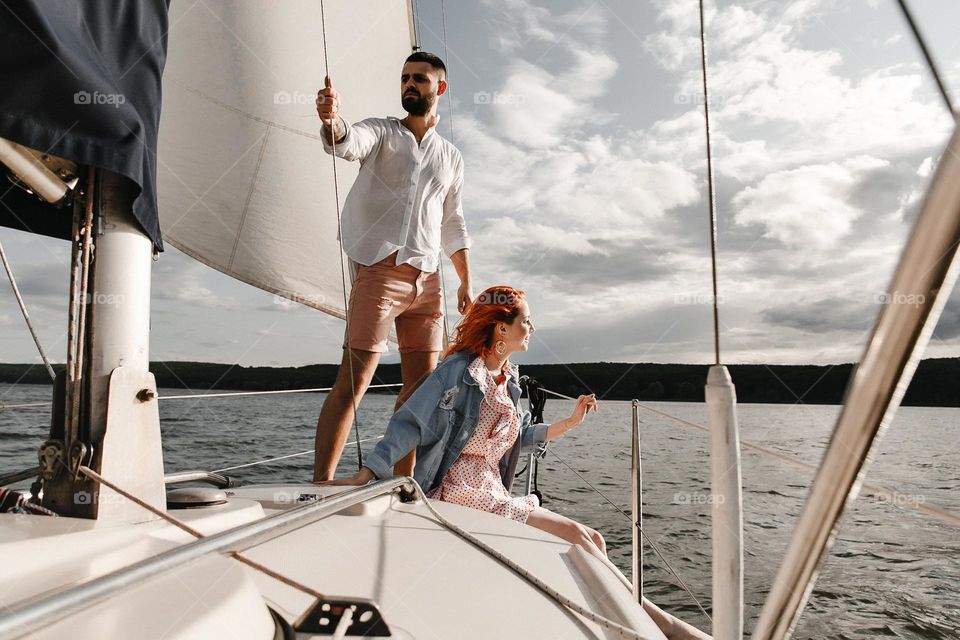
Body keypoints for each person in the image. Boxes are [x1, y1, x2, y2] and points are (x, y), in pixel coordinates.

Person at [325, 286, 712, 640]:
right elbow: (411, 420)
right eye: (525, 320)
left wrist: (569, 422)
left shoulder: (509, 377)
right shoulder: (458, 373)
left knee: (594, 538)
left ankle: (644, 620)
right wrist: (370, 471)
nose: (532, 326)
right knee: (580, 536)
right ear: (500, 329)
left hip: (492, 487)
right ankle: (664, 627)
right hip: (461, 491)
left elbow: (517, 440)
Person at [312, 51, 473, 482]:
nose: (409, 85)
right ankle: (321, 485)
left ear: (439, 88)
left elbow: (453, 221)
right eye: (404, 78)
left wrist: (464, 281)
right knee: (354, 382)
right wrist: (333, 121)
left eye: (419, 79)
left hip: (429, 280)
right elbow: (348, 142)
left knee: (420, 393)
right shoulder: (381, 133)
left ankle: (403, 485)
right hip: (380, 273)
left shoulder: (451, 157)